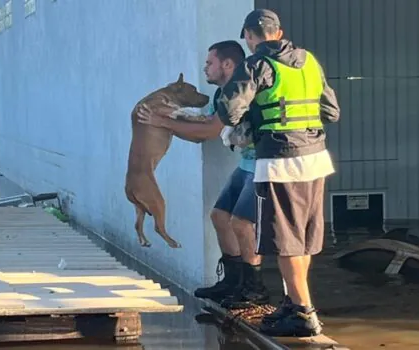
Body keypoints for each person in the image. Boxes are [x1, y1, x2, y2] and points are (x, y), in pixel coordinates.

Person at [214, 9, 340, 337]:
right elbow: (331, 111)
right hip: (316, 160)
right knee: (302, 239)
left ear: (250, 36)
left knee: (286, 242)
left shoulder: (256, 64)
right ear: (279, 31)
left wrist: (252, 121)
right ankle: (293, 301)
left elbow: (229, 111)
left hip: (281, 163)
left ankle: (303, 313)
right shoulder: (309, 61)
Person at [136, 40, 269, 308]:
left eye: (210, 63)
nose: (205, 68)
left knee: (243, 224)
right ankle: (232, 282)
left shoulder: (242, 90)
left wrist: (162, 122)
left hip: (264, 164)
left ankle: (254, 290)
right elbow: (199, 126)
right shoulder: (222, 94)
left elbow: (207, 131)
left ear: (228, 64)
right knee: (220, 217)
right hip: (246, 163)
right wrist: (162, 117)